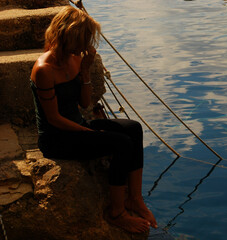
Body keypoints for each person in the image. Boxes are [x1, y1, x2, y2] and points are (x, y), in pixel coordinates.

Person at [30, 6, 157, 233]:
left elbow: (85, 104)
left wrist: (86, 72)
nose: (88, 43)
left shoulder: (75, 59)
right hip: (57, 138)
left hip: (78, 125)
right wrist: (88, 133)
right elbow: (54, 118)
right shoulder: (44, 69)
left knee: (133, 128)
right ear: (70, 37)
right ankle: (116, 213)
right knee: (121, 144)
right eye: (84, 38)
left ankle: (134, 199)